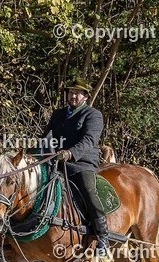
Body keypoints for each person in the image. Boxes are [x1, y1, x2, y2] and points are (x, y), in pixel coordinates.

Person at [43, 78, 109, 252]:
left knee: (88, 189)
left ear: (85, 96)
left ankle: (102, 236)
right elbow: (46, 137)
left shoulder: (93, 115)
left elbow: (89, 140)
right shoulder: (58, 114)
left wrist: (71, 153)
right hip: (56, 163)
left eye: (77, 93)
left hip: (81, 164)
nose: (73, 96)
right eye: (71, 92)